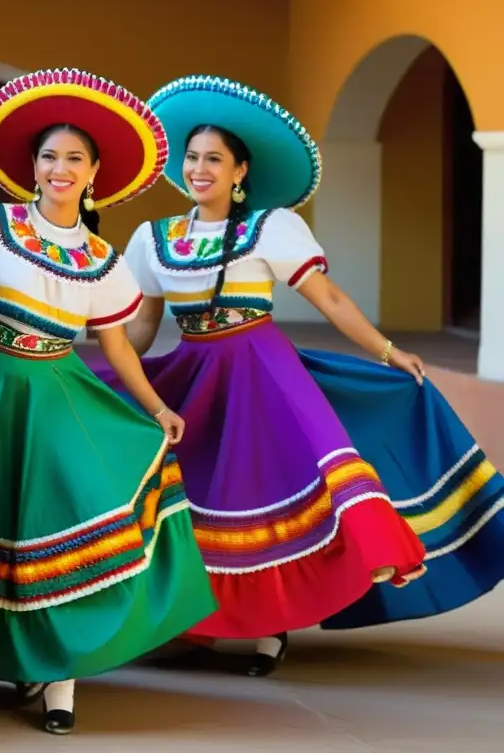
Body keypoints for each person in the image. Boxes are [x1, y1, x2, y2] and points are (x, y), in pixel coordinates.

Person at [88, 74, 497, 675]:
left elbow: (328, 299)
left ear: (240, 172)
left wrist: (387, 351)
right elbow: (143, 327)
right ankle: (196, 616)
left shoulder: (272, 227)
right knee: (199, 491)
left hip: (261, 371)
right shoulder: (153, 239)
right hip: (196, 373)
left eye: (215, 160)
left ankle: (271, 629)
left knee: (267, 489)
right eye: (193, 158)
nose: (200, 169)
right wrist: (110, 376)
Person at [0, 68, 217, 735]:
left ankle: (58, 675)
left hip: (53, 396)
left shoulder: (104, 260)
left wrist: (154, 407)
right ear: (33, 168)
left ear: (95, 173)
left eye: (74, 158)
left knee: (52, 523)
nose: (59, 168)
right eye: (49, 156)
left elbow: (118, 346)